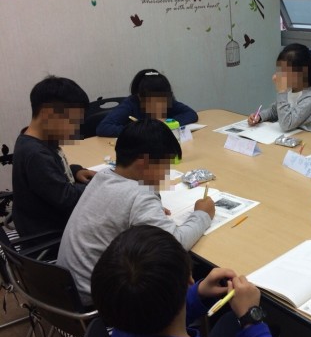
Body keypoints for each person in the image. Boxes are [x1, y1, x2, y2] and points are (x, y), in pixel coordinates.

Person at [91, 225, 288, 337]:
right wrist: (251, 318)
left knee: (229, 322)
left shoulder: (123, 323)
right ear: (189, 279)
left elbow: (154, 312)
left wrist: (197, 293)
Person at [57, 118, 214, 304]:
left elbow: (120, 210)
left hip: (65, 289)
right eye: (165, 166)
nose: (165, 174)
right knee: (193, 270)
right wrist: (203, 214)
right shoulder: (139, 196)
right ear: (143, 163)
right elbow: (176, 243)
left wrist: (148, 212)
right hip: (98, 300)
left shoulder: (103, 176)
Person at [12, 75, 95, 237]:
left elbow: (50, 177)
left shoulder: (38, 140)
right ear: (48, 114)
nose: (75, 129)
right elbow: (67, 198)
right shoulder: (36, 154)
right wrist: (99, 186)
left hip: (47, 219)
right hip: (50, 234)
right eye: (73, 121)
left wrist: (75, 171)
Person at [247, 43, 311, 134]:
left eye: (285, 72)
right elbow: (274, 111)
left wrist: (281, 91)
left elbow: (287, 124)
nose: (279, 75)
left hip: (309, 140)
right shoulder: (289, 90)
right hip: (290, 136)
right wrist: (260, 116)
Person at [96, 68, 198, 137]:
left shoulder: (168, 101)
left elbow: (191, 114)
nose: (158, 104)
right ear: (140, 97)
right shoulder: (131, 104)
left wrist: (168, 124)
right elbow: (103, 128)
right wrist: (141, 130)